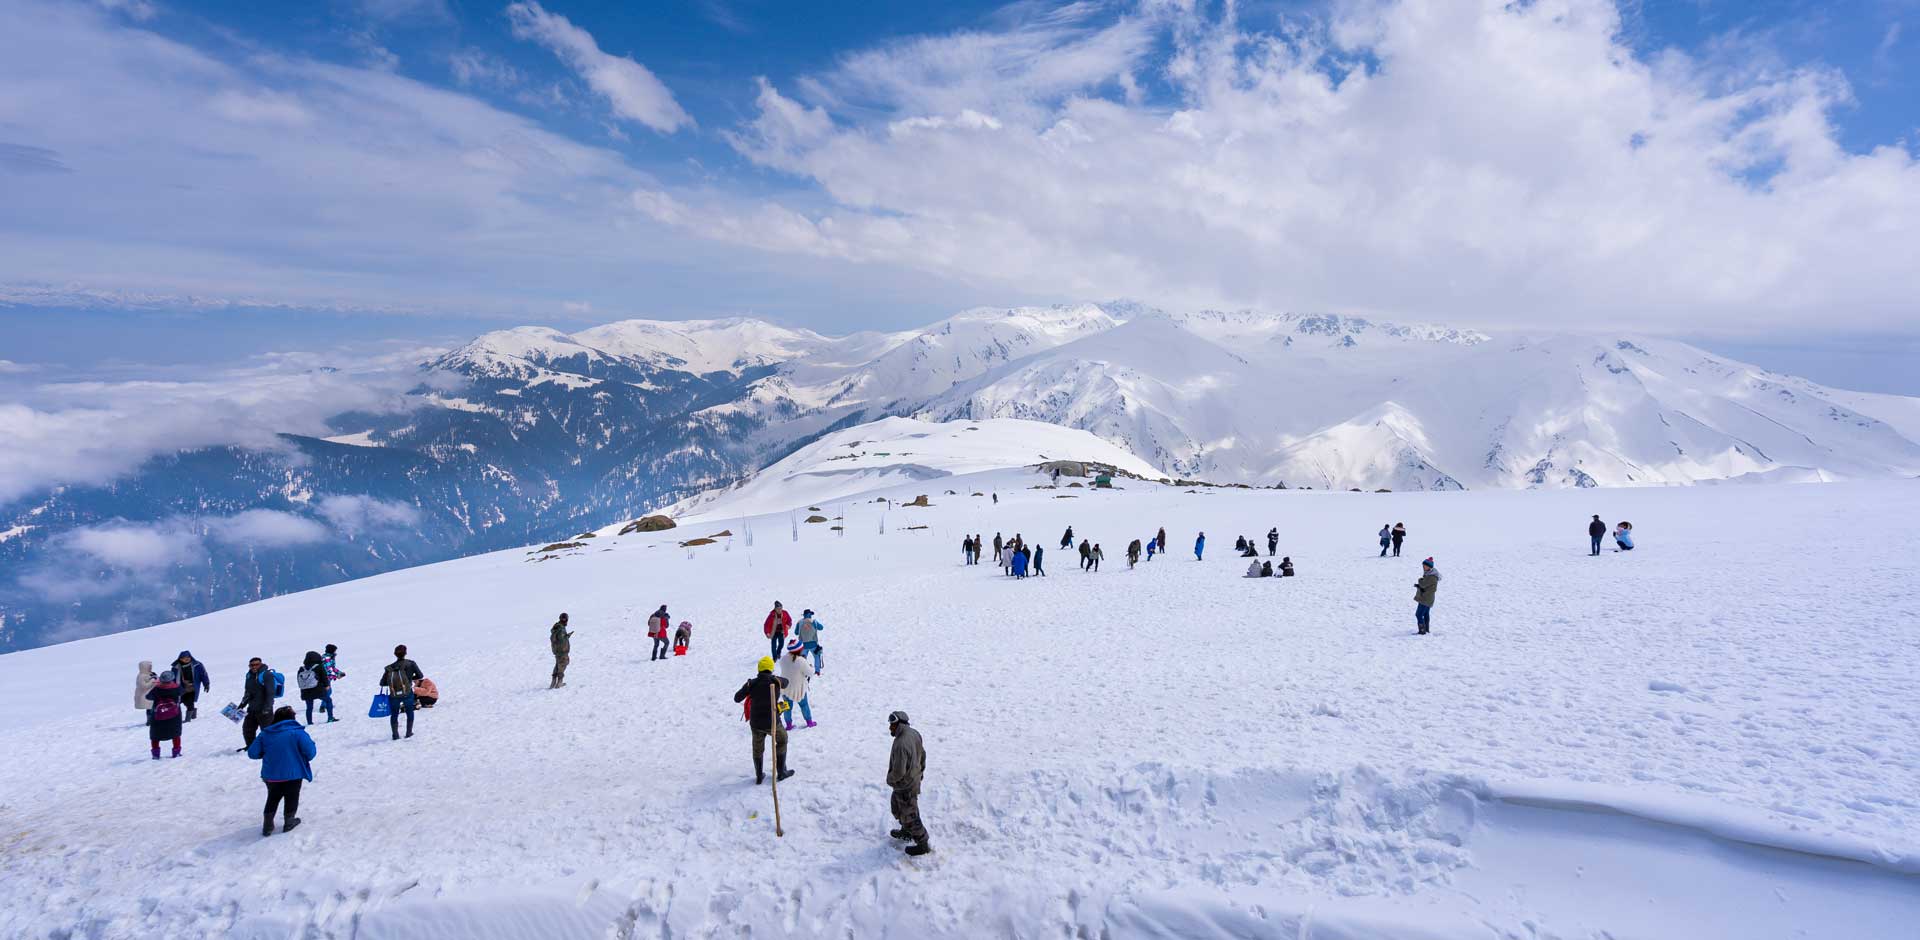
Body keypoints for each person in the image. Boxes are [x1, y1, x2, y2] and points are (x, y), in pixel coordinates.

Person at [247, 705, 315, 837]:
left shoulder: (265, 734)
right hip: (293, 774)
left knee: (273, 796)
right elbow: (310, 752)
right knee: (292, 796)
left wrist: (265, 752)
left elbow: (252, 753)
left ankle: (267, 824)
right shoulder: (297, 732)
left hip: (271, 775)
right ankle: (289, 821)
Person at [732, 657, 792, 784]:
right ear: (771, 669)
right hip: (772, 722)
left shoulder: (751, 683)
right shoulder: (775, 681)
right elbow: (786, 682)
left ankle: (759, 775)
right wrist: (776, 678)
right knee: (782, 740)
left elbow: (737, 698)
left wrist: (748, 689)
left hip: (756, 723)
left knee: (757, 748)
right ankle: (781, 772)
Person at [886, 710, 931, 856]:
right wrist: (920, 772)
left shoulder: (901, 743)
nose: (889, 728)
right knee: (897, 808)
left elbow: (898, 772)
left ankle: (922, 843)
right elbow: (922, 755)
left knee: (910, 816)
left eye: (892, 725)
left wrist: (889, 779)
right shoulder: (914, 733)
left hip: (905, 785)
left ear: (899, 724)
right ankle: (906, 831)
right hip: (912, 780)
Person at [380, 646, 425, 740]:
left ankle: (395, 735)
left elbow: (382, 683)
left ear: (395, 654)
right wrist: (408, 679)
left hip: (394, 694)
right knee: (409, 711)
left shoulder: (389, 668)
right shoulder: (411, 664)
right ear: (405, 653)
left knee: (394, 714)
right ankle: (409, 733)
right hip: (407, 692)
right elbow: (420, 675)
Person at [238, 657, 277, 751]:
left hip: (264, 709)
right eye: (252, 665)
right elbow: (248, 692)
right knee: (247, 729)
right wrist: (242, 704)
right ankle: (251, 747)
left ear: (261, 664)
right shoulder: (249, 676)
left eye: (256, 664)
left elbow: (270, 693)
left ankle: (270, 748)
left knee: (267, 730)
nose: (254, 667)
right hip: (252, 708)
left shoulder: (267, 675)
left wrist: (267, 707)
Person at [146, 669, 185, 760]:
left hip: (158, 715)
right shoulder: (177, 687)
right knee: (175, 734)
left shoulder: (157, 689)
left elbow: (148, 697)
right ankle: (176, 752)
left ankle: (156, 754)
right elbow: (183, 692)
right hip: (174, 714)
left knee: (155, 736)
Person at [780, 640, 817, 729]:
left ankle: (788, 725)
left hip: (785, 688)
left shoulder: (783, 659)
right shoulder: (801, 661)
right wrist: (811, 666)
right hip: (798, 689)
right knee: (804, 705)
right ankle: (809, 722)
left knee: (786, 707)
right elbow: (810, 673)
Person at [298, 651, 334, 725]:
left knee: (309, 707)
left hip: (306, 691)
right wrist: (327, 685)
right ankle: (330, 718)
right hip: (318, 690)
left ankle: (310, 722)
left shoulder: (301, 668)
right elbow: (324, 677)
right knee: (328, 700)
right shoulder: (319, 666)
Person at [172, 651, 210, 721]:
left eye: (188, 657)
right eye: (184, 658)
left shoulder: (197, 665)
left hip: (192, 687)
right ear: (180, 659)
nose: (186, 659)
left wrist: (206, 683)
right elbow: (172, 678)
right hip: (181, 688)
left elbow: (203, 674)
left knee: (189, 702)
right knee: (181, 702)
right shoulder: (175, 667)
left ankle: (188, 720)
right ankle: (193, 712)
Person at [1414, 557, 1440, 635]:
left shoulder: (1431, 576)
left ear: (1430, 567)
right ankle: (1426, 630)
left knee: (1418, 614)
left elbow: (1423, 584)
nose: (1424, 567)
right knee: (1425, 614)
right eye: (1423, 565)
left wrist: (1420, 580)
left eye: (1425, 565)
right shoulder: (1429, 574)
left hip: (1425, 599)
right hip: (1427, 598)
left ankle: (1422, 631)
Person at [795, 608, 825, 673]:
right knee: (817, 656)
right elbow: (821, 628)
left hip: (803, 645)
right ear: (810, 615)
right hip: (813, 644)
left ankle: (803, 672)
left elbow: (796, 632)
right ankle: (817, 671)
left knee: (803, 659)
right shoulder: (814, 621)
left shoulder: (799, 622)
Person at [550, 613, 572, 688]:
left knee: (558, 665)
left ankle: (553, 682)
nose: (565, 620)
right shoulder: (561, 628)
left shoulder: (557, 627)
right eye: (564, 619)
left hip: (557, 651)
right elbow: (561, 640)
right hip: (562, 651)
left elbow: (558, 638)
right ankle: (559, 682)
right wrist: (566, 637)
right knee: (563, 663)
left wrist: (567, 636)